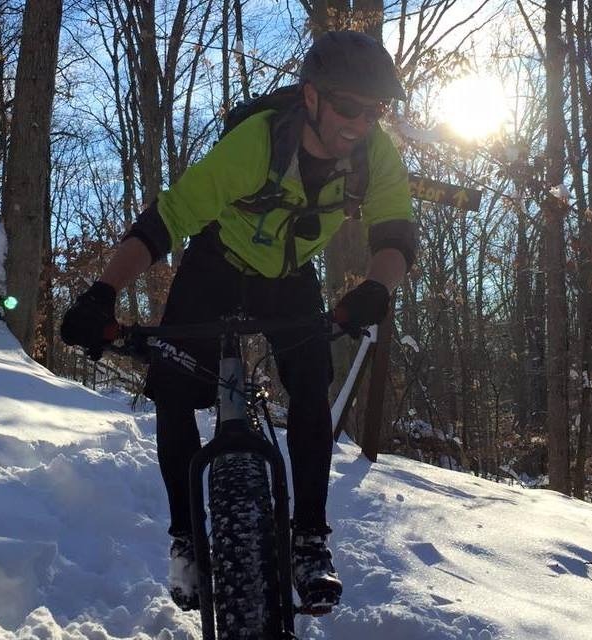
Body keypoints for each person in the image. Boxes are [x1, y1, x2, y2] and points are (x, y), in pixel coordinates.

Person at [60, 30, 417, 612]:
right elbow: (167, 219)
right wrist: (102, 292)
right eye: (347, 105)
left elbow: (395, 231)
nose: (360, 121)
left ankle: (310, 541)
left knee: (309, 384)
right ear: (312, 98)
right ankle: (184, 541)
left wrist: (377, 286)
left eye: (373, 109)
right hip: (216, 266)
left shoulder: (374, 155)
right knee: (174, 392)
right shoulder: (256, 145)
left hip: (290, 277)